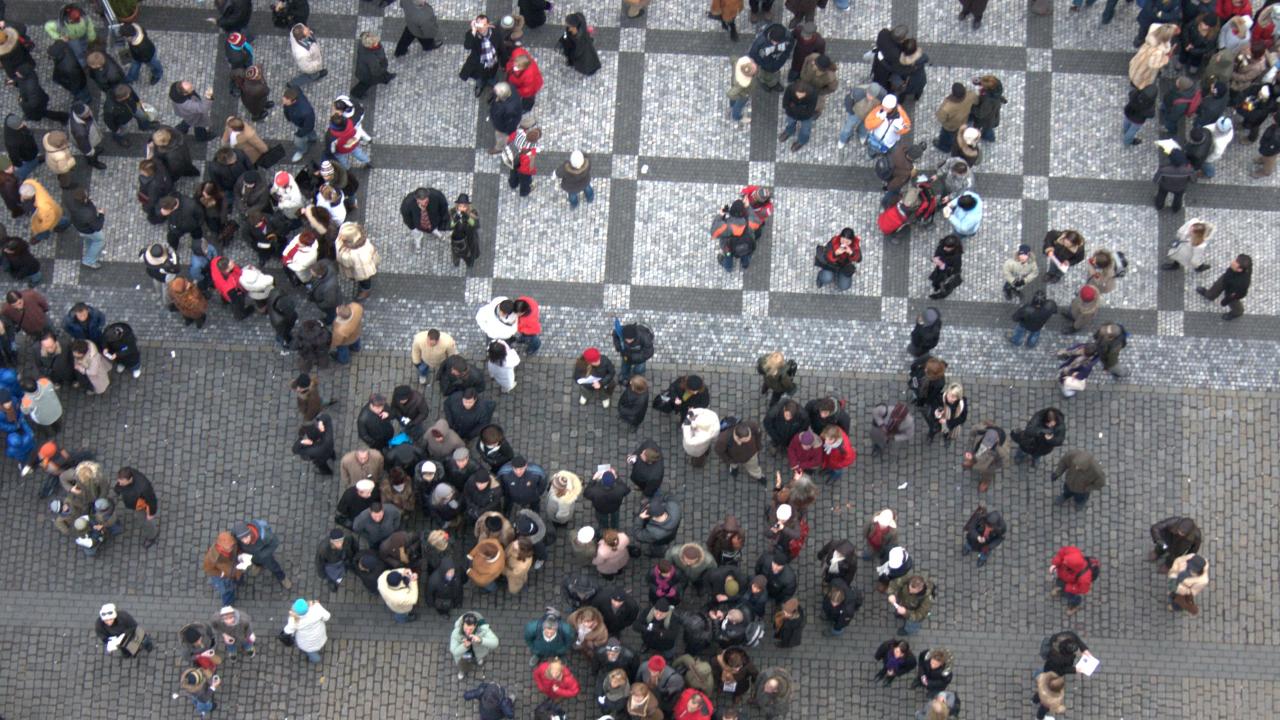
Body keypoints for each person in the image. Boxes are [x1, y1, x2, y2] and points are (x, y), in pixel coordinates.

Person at [1196, 253, 1252, 320]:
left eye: (1235, 263)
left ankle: (1237, 312)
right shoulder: (1244, 266)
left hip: (1232, 290)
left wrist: (1225, 301)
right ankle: (1209, 296)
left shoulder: (1242, 283)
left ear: (1239, 269)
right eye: (1235, 260)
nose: (1232, 262)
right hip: (1227, 278)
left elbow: (1239, 294)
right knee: (1215, 288)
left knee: (1233, 302)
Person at [451, 611, 499, 680]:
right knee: (464, 664)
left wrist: (480, 640)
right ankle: (462, 671)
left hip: (478, 652)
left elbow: (495, 643)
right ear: (462, 624)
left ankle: (477, 659)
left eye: (470, 629)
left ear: (475, 625)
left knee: (477, 658)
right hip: (465, 655)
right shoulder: (456, 633)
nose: (467, 632)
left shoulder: (483, 630)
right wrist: (464, 646)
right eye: (466, 628)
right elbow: (454, 651)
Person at [1050, 545, 1096, 615]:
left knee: (1072, 596)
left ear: (1073, 568)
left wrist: (1066, 587)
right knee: (1060, 583)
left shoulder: (1084, 578)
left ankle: (1074, 605)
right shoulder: (1072, 551)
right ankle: (1062, 590)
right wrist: (1056, 562)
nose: (1063, 562)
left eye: (1066, 563)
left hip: (1072, 586)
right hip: (1063, 576)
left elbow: (1083, 589)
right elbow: (1062, 552)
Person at [282, 598, 331, 663]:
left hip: (306, 643)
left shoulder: (294, 620)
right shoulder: (316, 608)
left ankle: (315, 659)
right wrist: (317, 604)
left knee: (311, 652)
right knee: (315, 647)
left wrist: (291, 616)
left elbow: (288, 631)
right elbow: (327, 616)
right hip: (319, 636)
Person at [779, 81, 817, 152]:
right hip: (792, 112)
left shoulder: (813, 93)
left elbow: (810, 111)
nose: (799, 96)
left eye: (802, 95)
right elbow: (785, 103)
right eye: (797, 94)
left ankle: (802, 141)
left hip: (805, 116)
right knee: (790, 122)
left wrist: (794, 107)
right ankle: (789, 131)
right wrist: (797, 109)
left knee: (805, 129)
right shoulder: (790, 89)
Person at [927, 235, 964, 299]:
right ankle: (936, 286)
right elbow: (938, 252)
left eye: (947, 248)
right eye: (944, 246)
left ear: (953, 248)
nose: (944, 248)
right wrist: (935, 258)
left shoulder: (956, 257)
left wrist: (943, 266)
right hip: (940, 270)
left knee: (946, 287)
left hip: (948, 274)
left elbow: (956, 270)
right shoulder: (942, 245)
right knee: (937, 280)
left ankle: (940, 295)